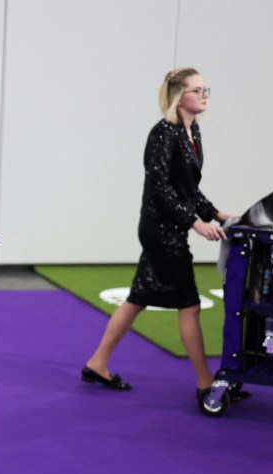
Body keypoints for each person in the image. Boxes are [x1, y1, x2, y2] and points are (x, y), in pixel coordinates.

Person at [82, 67, 247, 404]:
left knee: (138, 297)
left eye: (205, 89)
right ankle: (206, 384)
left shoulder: (193, 131)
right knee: (189, 305)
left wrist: (214, 214)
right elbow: (159, 189)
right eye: (196, 90)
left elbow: (188, 189)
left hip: (170, 228)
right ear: (178, 96)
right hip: (160, 232)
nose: (204, 95)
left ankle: (96, 363)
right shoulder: (163, 133)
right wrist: (195, 223)